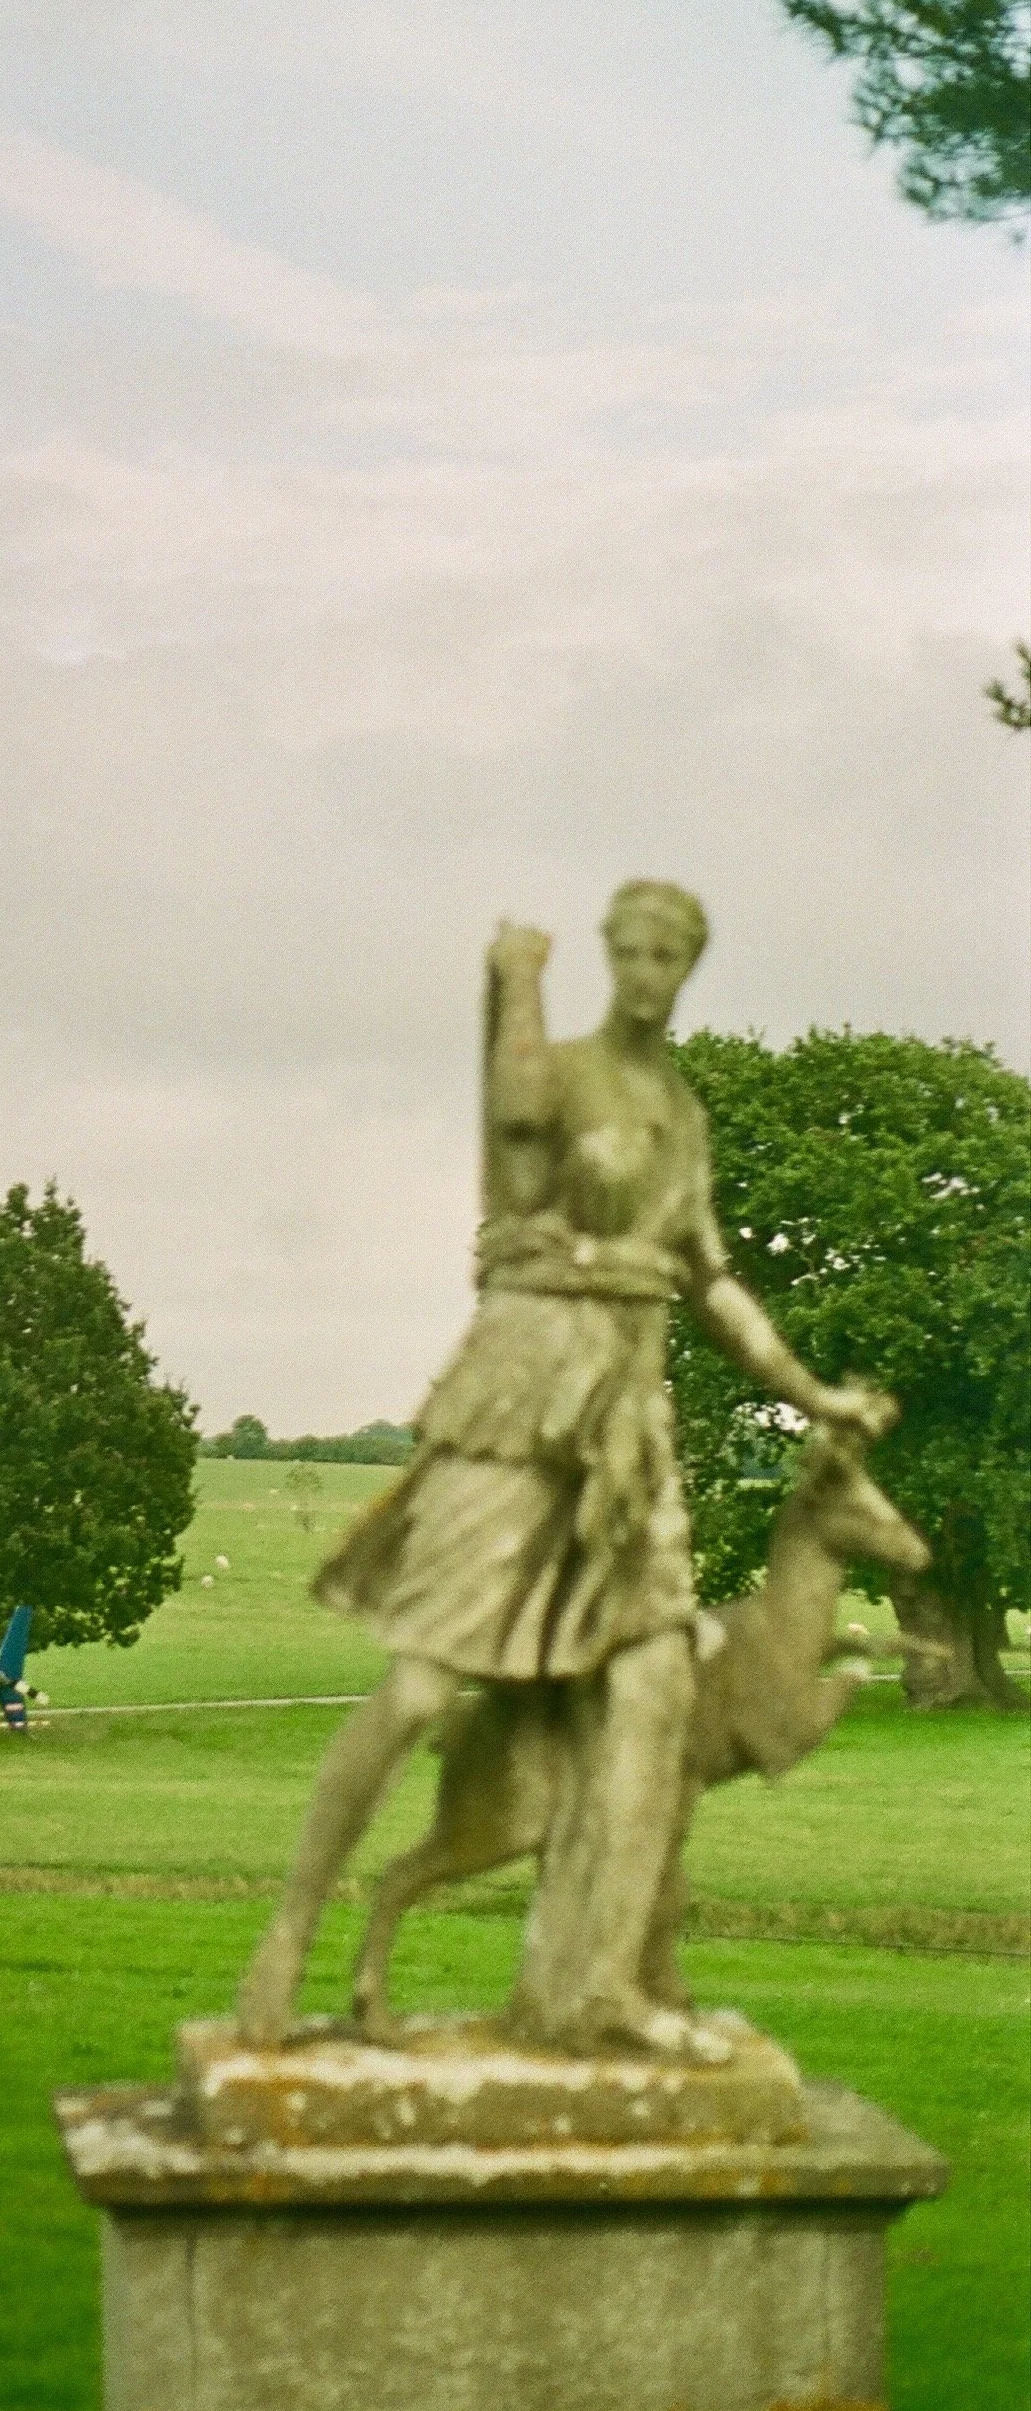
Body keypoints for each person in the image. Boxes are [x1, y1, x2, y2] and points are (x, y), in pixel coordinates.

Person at [236, 883, 891, 2060]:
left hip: (626, 1428)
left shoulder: (679, 1114)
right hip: (518, 1404)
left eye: (667, 955)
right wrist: (515, 976)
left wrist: (813, 1391)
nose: (646, 972)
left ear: (688, 965)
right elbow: (509, 1113)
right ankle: (287, 1931)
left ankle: (594, 1986)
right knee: (425, 1690)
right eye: (629, 951)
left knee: (651, 1693)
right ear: (608, 956)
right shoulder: (559, 1070)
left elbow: (711, 1280)